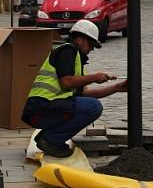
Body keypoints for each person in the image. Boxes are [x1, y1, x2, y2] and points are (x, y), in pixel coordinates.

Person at [21, 19, 126, 158]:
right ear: (80, 39)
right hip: (41, 107)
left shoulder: (75, 58)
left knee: (91, 105)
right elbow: (66, 82)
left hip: (45, 109)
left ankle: (49, 138)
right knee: (93, 107)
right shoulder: (67, 50)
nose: (91, 49)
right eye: (91, 44)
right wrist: (94, 77)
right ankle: (51, 140)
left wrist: (116, 88)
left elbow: (85, 94)